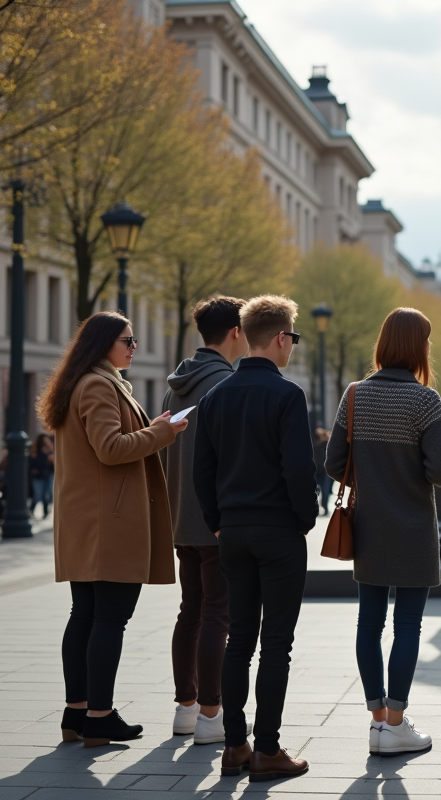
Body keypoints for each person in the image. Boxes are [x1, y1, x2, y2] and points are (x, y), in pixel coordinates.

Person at [37, 311, 185, 747]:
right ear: (103, 343)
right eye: (127, 339)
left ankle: (76, 714)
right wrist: (162, 431)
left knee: (84, 615)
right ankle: (99, 716)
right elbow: (110, 448)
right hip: (110, 521)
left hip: (87, 519)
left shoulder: (79, 382)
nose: (134, 346)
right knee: (109, 619)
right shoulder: (99, 385)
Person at [193, 295, 317, 783]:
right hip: (278, 530)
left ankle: (234, 745)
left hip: (233, 532)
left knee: (238, 638)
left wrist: (217, 521)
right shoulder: (287, 395)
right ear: (282, 338)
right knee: (276, 644)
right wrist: (304, 520)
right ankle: (268, 749)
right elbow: (297, 469)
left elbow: (203, 470)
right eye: (293, 340)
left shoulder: (216, 396)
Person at [326, 307, 441, 757]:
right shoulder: (425, 401)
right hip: (415, 530)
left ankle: (377, 720)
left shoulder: (355, 395)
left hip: (368, 527)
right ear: (420, 346)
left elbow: (331, 462)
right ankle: (398, 724)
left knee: (369, 623)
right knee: (408, 626)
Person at [162, 296, 247, 745]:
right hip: (216, 519)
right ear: (235, 332)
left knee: (191, 611)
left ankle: (185, 706)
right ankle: (212, 715)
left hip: (181, 517)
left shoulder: (175, 383)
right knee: (219, 613)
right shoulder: (226, 385)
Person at [29, 434, 55, 519]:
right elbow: (31, 463)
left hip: (47, 474)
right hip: (38, 476)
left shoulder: (49, 451)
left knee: (47, 494)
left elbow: (52, 464)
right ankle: (31, 510)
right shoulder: (35, 451)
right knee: (38, 495)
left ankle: (45, 512)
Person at [312, 428, 333, 516]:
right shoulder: (313, 443)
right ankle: (316, 507)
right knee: (316, 490)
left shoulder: (327, 443)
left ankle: (325, 507)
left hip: (324, 471)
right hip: (316, 470)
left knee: (325, 491)